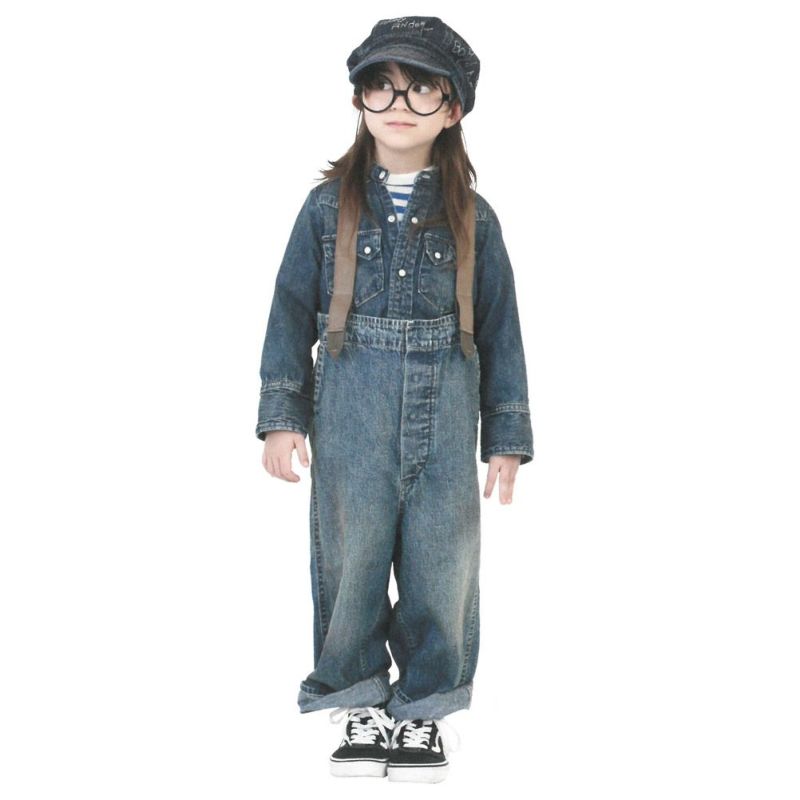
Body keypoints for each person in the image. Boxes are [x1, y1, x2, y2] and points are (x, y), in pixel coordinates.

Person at [256, 16, 534, 783]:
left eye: (421, 88)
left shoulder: (475, 217)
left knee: (443, 565)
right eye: (381, 85)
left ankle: (423, 713)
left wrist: (505, 436)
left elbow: (502, 332)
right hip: (351, 416)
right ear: (359, 100)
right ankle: (357, 702)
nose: (399, 102)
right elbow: (288, 315)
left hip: (447, 419)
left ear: (453, 108)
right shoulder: (325, 210)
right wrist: (282, 419)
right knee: (350, 562)